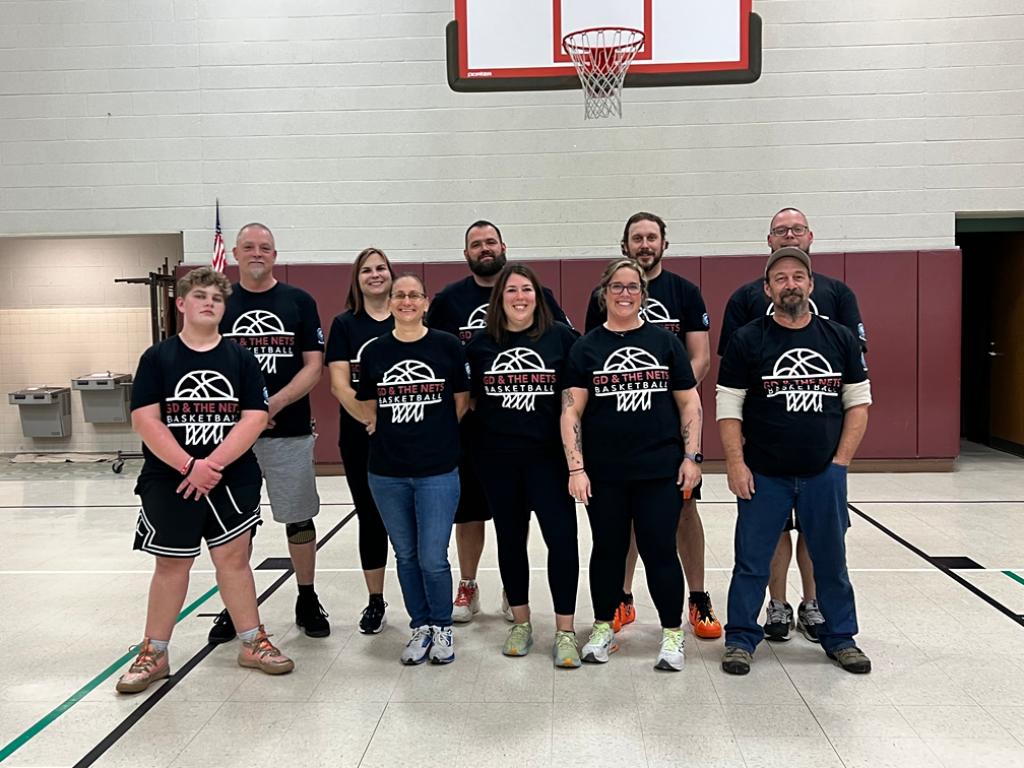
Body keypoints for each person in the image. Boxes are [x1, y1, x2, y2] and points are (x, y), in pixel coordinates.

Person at [117, 267, 293, 694]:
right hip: (170, 478)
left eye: (216, 297)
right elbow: (145, 418)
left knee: (233, 561)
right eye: (200, 296)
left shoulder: (241, 359)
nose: (209, 303)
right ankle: (154, 652)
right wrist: (187, 465)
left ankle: (252, 641)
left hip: (230, 477)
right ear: (181, 303)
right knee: (172, 565)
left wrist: (211, 464)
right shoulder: (157, 358)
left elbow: (255, 416)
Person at [717, 246, 872, 675]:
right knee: (751, 561)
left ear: (811, 284)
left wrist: (840, 462)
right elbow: (728, 407)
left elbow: (859, 403)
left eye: (797, 277)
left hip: (824, 472)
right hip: (763, 473)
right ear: (768, 288)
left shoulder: (838, 337)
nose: (790, 284)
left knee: (831, 561)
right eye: (780, 278)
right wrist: (735, 463)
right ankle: (741, 639)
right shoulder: (748, 339)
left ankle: (840, 638)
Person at [427, 220, 572, 623]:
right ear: (466, 253)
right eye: (477, 244)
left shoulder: (541, 298)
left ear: (504, 246)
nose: (485, 248)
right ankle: (469, 584)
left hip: (539, 440)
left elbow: (566, 353)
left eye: (491, 241)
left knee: (521, 517)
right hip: (479, 435)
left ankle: (515, 590)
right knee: (471, 513)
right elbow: (437, 359)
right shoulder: (449, 301)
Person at [561, 259, 702, 672]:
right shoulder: (585, 348)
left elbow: (689, 402)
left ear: (643, 294)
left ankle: (672, 633)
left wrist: (692, 457)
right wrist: (576, 468)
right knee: (607, 551)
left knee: (660, 550)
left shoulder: (665, 344)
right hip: (604, 474)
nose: (625, 294)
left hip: (659, 471)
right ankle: (604, 626)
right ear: (604, 294)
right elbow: (571, 412)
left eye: (633, 287)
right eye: (617, 287)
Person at [584, 212, 719, 640]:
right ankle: (621, 597)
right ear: (625, 245)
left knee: (683, 513)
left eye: (652, 237)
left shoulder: (685, 291)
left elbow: (699, 359)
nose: (645, 244)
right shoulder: (601, 295)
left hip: (668, 430)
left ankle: (696, 598)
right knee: (619, 524)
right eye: (637, 238)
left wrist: (667, 394)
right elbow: (599, 358)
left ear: (664, 243)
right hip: (621, 433)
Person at [208, 223, 330, 643]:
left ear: (275, 255)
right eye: (249, 247)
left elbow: (314, 366)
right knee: (235, 525)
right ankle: (235, 605)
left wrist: (270, 405)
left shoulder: (299, 301)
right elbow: (204, 365)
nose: (257, 253)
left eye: (265, 247)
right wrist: (245, 415)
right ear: (235, 255)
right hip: (229, 435)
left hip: (288, 429)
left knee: (298, 517)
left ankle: (307, 597)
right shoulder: (218, 302)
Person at [465, 264, 582, 668]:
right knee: (510, 542)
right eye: (511, 290)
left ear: (538, 295)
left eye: (526, 289)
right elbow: (470, 403)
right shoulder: (480, 346)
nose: (519, 296)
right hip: (498, 462)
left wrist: (577, 463)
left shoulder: (563, 340)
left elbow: (575, 405)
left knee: (562, 542)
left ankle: (565, 631)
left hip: (549, 461)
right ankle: (521, 622)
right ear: (500, 299)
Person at [356, 273, 469, 665]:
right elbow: (368, 406)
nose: (406, 301)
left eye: (414, 295)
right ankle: (419, 626)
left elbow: (460, 402)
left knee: (432, 556)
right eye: (399, 295)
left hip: (437, 469)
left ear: (424, 303)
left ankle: (442, 627)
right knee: (404, 554)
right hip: (386, 472)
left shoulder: (447, 346)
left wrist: (430, 433)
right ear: (389, 303)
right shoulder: (374, 352)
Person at [326, 247, 395, 634]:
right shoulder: (344, 325)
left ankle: (429, 600)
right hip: (360, 437)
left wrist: (391, 423)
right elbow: (338, 384)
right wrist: (373, 418)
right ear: (357, 279)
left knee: (416, 521)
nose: (374, 274)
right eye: (366, 269)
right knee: (371, 517)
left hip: (409, 436)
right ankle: (375, 600)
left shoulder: (411, 318)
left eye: (381, 268)